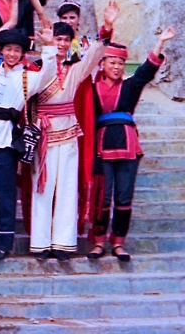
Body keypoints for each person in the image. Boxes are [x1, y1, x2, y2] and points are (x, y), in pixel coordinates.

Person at [82, 26, 175, 261]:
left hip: (128, 146)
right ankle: (99, 241)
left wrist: (160, 43)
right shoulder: (91, 90)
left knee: (124, 198)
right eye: (112, 62)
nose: (117, 67)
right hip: (102, 146)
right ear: (102, 64)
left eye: (120, 63)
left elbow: (146, 71)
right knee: (102, 197)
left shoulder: (130, 86)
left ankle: (118, 242)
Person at [29, 11, 110, 261]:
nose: (62, 44)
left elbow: (94, 55)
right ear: (50, 39)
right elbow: (36, 88)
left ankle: (63, 243)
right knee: (42, 189)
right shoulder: (36, 67)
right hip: (44, 135)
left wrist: (107, 27)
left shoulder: (74, 69)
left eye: (66, 40)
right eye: (58, 39)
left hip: (68, 134)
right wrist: (48, 50)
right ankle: (40, 243)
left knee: (66, 189)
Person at [0, 26, 59, 263]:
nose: (11, 54)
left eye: (16, 50)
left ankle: (2, 244)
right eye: (8, 49)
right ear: (1, 50)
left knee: (5, 193)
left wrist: (49, 46)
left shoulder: (28, 77)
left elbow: (48, 74)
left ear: (22, 54)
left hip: (5, 140)